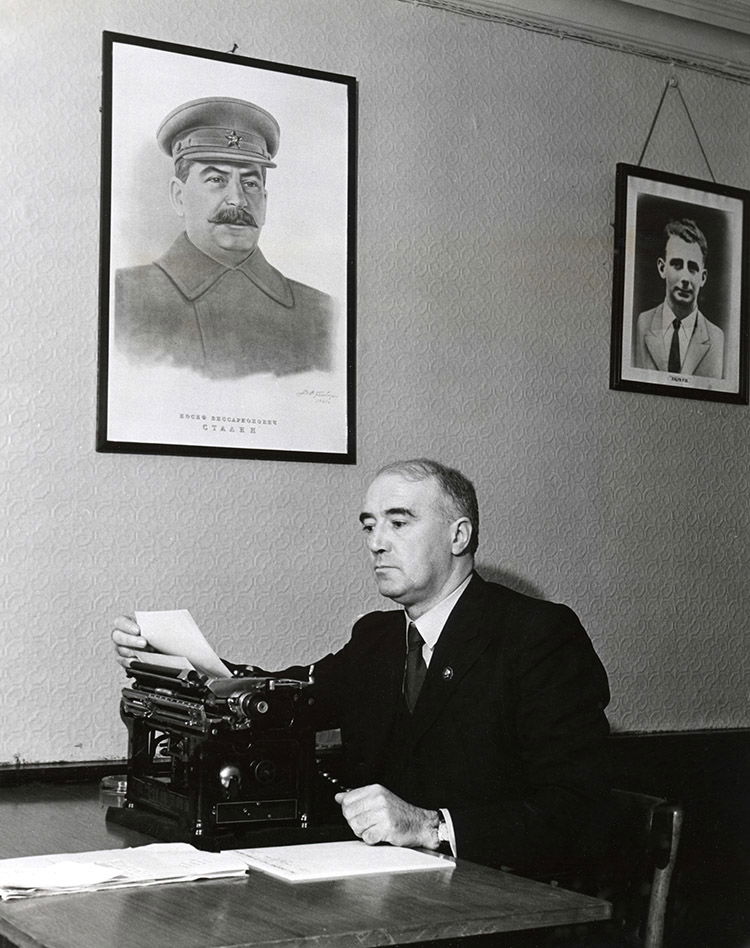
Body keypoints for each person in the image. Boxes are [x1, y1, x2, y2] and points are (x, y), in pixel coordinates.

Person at [112, 459, 611, 877]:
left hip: (503, 899)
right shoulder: (377, 637)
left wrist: (431, 826)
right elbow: (288, 697)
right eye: (369, 526)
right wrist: (179, 659)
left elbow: (579, 810)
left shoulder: (538, 634)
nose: (376, 543)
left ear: (459, 535)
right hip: (385, 887)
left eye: (399, 522)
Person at [114, 97, 335, 379]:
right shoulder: (124, 297)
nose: (237, 200)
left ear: (264, 202)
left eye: (250, 183)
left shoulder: (322, 314)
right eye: (216, 179)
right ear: (179, 197)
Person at [634, 218, 724, 378]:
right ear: (662, 268)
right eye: (677, 264)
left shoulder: (717, 338)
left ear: (703, 278)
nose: (685, 278)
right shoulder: (641, 324)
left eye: (692, 268)